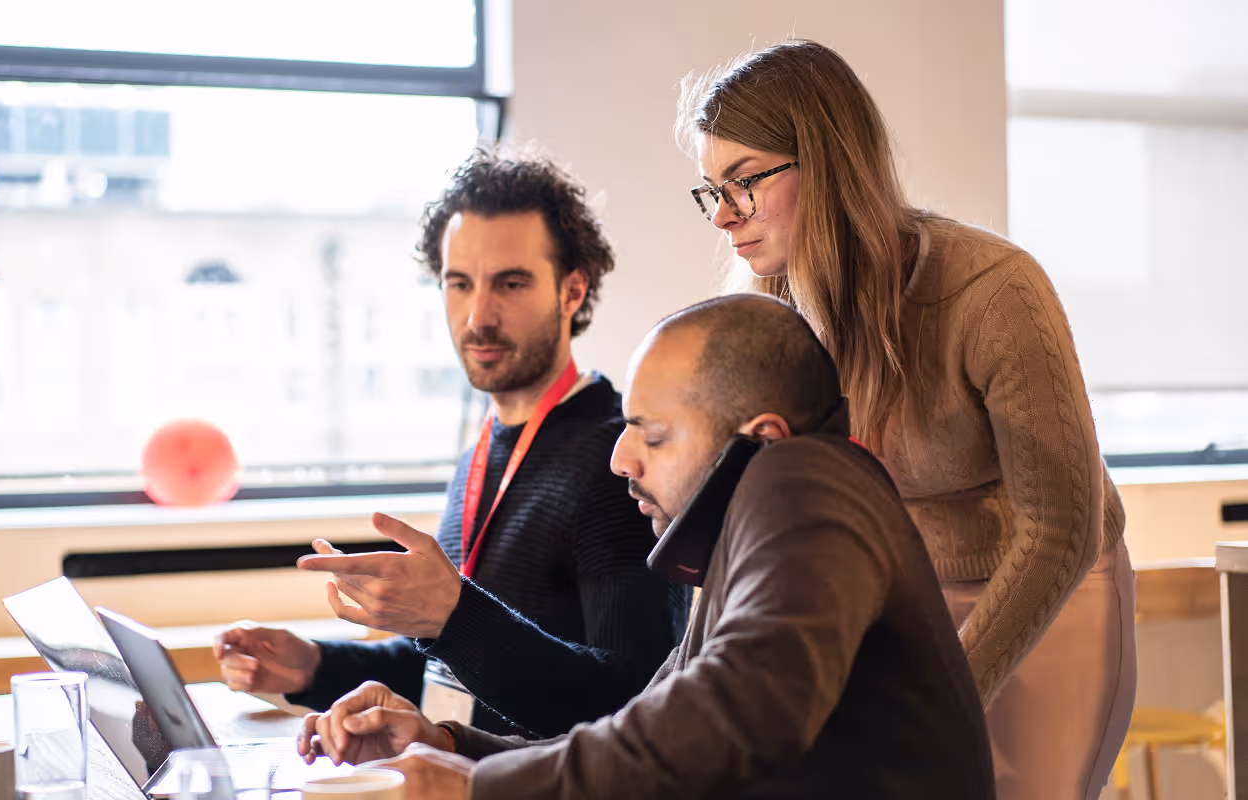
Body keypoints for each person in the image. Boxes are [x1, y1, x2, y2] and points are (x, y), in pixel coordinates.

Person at [295, 295, 997, 800]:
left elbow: (739, 714)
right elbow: (637, 723)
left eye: (653, 435)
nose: (620, 459)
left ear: (764, 437)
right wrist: (450, 746)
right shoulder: (750, 534)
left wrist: (480, 788)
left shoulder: (806, 478)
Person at [675, 40, 1134, 799]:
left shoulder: (992, 292)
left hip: (1052, 593)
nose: (723, 217)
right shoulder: (773, 314)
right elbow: (753, 523)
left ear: (825, 160)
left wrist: (939, 699)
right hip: (908, 606)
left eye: (744, 183)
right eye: (709, 191)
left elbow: (1059, 528)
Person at [214, 150, 689, 738]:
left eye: (510, 283)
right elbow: (452, 668)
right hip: (454, 765)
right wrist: (312, 664)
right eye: (459, 284)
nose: (477, 317)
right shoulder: (480, 454)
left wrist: (453, 615)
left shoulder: (617, 461)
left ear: (572, 292)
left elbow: (630, 699)